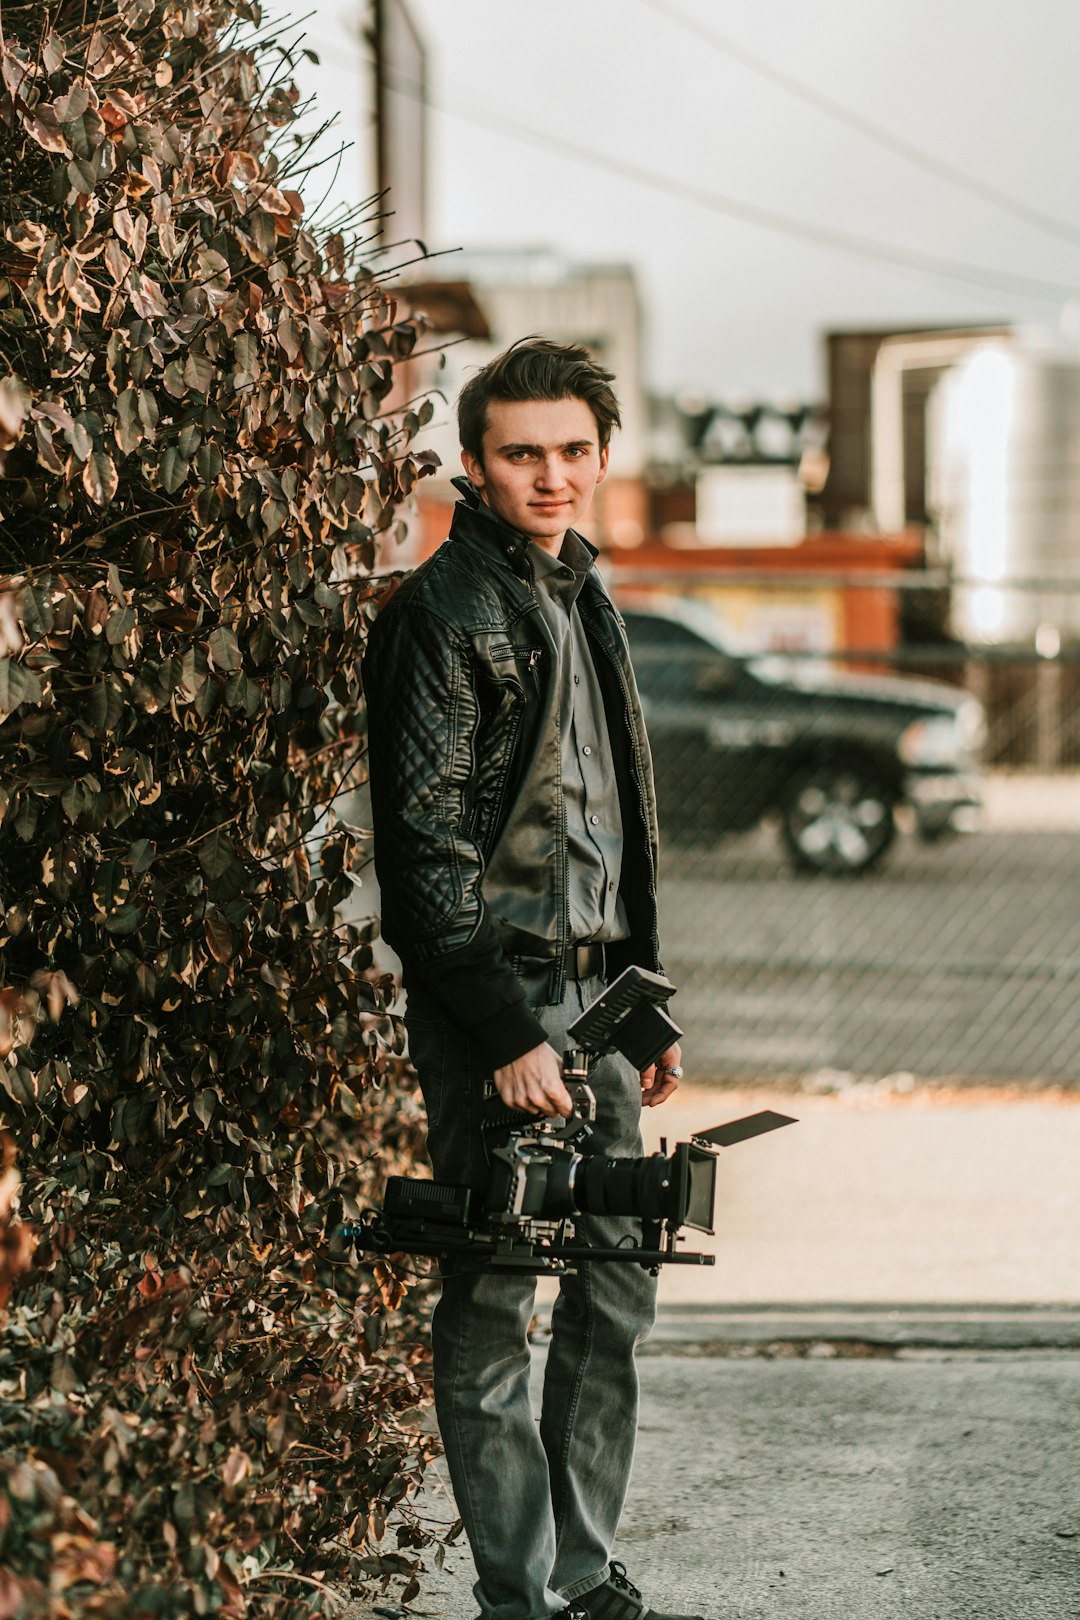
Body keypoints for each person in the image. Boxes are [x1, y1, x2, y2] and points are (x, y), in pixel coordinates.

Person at [362, 338, 700, 1620]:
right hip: (495, 1008)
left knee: (617, 1291)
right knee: (499, 1295)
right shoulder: (443, 613)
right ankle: (519, 1595)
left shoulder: (586, 596)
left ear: (604, 457)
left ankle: (581, 1572)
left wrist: (647, 1000)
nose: (549, 475)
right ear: (475, 465)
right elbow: (424, 852)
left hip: (601, 1004)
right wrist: (505, 1031)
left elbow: (615, 817)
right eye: (521, 454)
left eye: (571, 451)